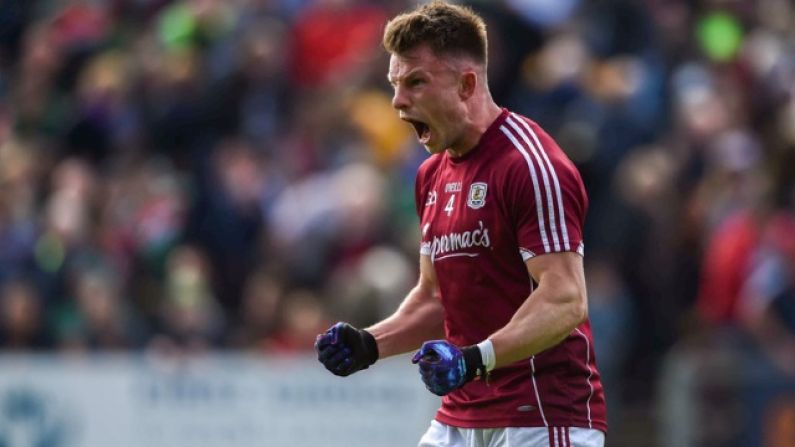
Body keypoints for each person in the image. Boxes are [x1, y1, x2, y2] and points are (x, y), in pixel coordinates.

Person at [315, 2, 607, 446]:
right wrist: (369, 344)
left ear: (467, 84)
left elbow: (565, 299)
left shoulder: (529, 164)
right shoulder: (431, 175)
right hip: (461, 415)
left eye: (415, 82)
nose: (397, 101)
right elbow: (435, 298)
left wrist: (475, 359)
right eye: (395, 84)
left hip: (542, 416)